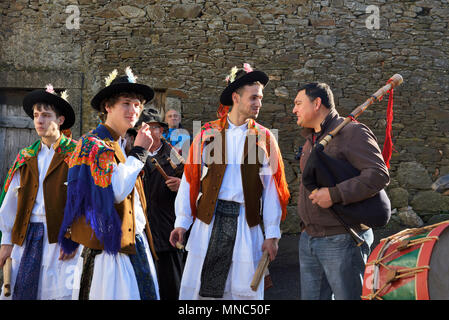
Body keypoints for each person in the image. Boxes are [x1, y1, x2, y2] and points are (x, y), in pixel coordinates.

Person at [169, 63, 290, 300]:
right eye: (253, 97)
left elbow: (272, 192)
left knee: (244, 293)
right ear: (236, 97)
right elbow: (189, 180)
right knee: (203, 293)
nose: (259, 103)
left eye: (261, 98)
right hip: (208, 223)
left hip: (246, 225)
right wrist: (182, 222)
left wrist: (272, 234)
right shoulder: (208, 134)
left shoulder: (263, 138)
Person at [57, 67, 160, 300]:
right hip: (109, 255)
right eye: (126, 103)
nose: (133, 110)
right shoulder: (93, 144)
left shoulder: (119, 145)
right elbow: (114, 192)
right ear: (108, 106)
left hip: (132, 245)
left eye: (137, 105)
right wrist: (140, 152)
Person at [292, 82, 390, 300]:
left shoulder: (353, 132)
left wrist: (334, 194)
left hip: (342, 238)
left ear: (317, 103)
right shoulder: (310, 142)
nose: (294, 109)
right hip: (309, 239)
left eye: (298, 103)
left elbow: (378, 174)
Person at [0, 85, 80, 299]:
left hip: (61, 238)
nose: (39, 121)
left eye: (46, 115)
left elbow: (86, 200)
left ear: (60, 120)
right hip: (26, 236)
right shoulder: (26, 156)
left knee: (57, 293)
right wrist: (6, 241)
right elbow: (10, 202)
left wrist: (74, 236)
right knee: (21, 291)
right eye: (36, 115)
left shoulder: (76, 154)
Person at [139, 109, 186, 300]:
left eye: (155, 128)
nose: (151, 132)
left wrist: (181, 186)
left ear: (161, 131)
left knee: (171, 285)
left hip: (168, 228)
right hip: (142, 230)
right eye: (146, 129)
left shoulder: (173, 154)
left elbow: (192, 183)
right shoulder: (133, 155)